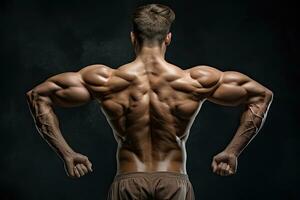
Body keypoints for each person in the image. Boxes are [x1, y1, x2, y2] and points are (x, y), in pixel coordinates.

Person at [26, 3, 273, 200]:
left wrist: (67, 154)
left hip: (128, 181)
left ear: (133, 37)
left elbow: (38, 96)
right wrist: (232, 151)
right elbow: (261, 96)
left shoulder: (105, 80)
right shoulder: (194, 80)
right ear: (168, 38)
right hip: (174, 182)